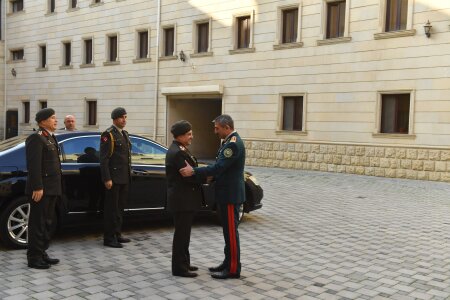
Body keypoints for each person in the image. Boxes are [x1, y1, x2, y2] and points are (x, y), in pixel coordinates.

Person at [180, 114, 245, 279]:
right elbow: (220, 167)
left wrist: (194, 171)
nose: (215, 131)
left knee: (231, 233)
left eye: (217, 128)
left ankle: (232, 269)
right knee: (227, 233)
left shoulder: (233, 145)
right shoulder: (228, 142)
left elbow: (219, 167)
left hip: (230, 196)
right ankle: (227, 262)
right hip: (225, 194)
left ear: (226, 127)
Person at [165, 120, 204, 278]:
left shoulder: (180, 148)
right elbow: (188, 177)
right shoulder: (178, 152)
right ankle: (180, 268)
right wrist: (205, 176)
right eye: (188, 134)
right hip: (182, 200)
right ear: (180, 136)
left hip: (183, 199)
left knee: (184, 234)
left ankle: (184, 262)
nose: (191, 137)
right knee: (181, 235)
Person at [26, 108, 62, 269]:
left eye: (55, 117)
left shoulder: (50, 137)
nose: (56, 120)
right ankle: (34, 257)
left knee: (47, 223)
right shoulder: (36, 138)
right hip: (42, 189)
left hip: (52, 188)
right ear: (42, 122)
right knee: (37, 223)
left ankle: (42, 252)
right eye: (52, 118)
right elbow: (34, 166)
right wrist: (38, 187)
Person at [99, 107, 132, 248]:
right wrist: (107, 178)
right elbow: (104, 159)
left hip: (124, 178)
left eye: (125, 117)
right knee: (111, 209)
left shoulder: (124, 134)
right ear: (114, 119)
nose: (124, 120)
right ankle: (109, 238)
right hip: (113, 178)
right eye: (121, 117)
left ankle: (117, 234)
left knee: (119, 208)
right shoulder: (109, 135)